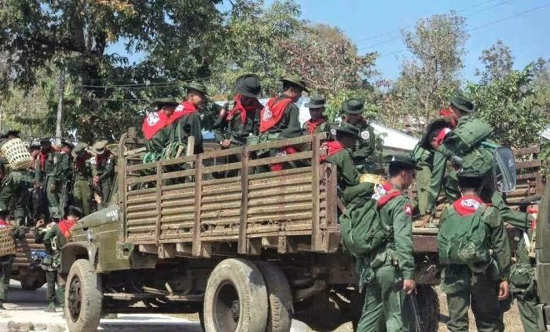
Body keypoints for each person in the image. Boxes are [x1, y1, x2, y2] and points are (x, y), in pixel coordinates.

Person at [438, 169, 511, 332]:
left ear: (459, 188)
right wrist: (504, 277)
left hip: (453, 274)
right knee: (488, 324)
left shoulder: (448, 212)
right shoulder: (489, 212)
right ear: (480, 188)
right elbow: (501, 247)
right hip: (482, 274)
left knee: (457, 325)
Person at [356, 155, 419, 332]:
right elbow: (403, 239)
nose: (412, 180)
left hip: (371, 265)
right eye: (413, 175)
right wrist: (408, 273)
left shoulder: (375, 195)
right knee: (397, 320)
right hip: (390, 267)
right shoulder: (400, 202)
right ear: (405, 173)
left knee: (369, 319)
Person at [35, 206, 81, 312]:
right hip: (75, 259)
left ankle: (52, 305)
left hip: (57, 257)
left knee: (52, 281)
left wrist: (49, 250)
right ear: (76, 217)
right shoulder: (79, 226)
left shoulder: (59, 226)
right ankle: (69, 305)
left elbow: (46, 238)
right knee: (70, 281)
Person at [258, 76, 307, 171]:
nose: (300, 96)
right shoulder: (291, 107)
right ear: (292, 90)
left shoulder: (270, 104)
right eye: (300, 92)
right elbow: (294, 132)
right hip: (280, 150)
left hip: (262, 150)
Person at [321, 124, 361, 203]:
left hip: (322, 188)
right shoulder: (342, 153)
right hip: (334, 192)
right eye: (353, 139)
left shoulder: (326, 147)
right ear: (346, 138)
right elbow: (352, 180)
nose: (354, 142)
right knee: (369, 186)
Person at [341, 99, 379, 173]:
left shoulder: (366, 129)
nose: (352, 117)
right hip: (342, 162)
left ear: (360, 114)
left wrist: (353, 155)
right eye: (350, 114)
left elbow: (368, 148)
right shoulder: (341, 126)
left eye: (355, 114)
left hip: (359, 165)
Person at [169, 82, 206, 157]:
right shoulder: (193, 114)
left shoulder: (177, 111)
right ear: (191, 96)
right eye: (201, 97)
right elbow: (197, 141)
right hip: (187, 156)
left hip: (173, 153)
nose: (203, 99)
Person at [0, 209, 25, 310]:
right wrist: (18, 226)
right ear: (6, 217)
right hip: (6, 257)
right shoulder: (10, 227)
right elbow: (21, 235)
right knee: (4, 278)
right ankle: (1, 300)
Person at [142, 98, 179, 162]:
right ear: (164, 108)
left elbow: (143, 131)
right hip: (160, 151)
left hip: (149, 150)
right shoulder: (166, 120)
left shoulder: (149, 117)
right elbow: (170, 140)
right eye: (172, 109)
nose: (173, 111)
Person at [34, 139, 57, 220]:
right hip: (44, 178)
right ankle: (48, 217)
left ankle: (56, 217)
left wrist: (53, 182)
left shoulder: (54, 154)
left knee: (51, 196)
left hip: (52, 177)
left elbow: (56, 168)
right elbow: (38, 170)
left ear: (49, 144)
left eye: (46, 144)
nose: (44, 146)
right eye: (43, 144)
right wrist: (37, 182)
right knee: (43, 197)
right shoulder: (40, 155)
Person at [91, 140, 115, 209]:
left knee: (106, 199)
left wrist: (99, 178)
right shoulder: (96, 157)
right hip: (99, 181)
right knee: (99, 199)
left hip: (107, 180)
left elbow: (109, 170)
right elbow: (94, 168)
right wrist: (95, 177)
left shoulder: (110, 156)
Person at [72, 143, 92, 216]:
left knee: (86, 203)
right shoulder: (75, 159)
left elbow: (92, 171)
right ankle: (79, 218)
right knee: (77, 200)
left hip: (85, 181)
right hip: (76, 181)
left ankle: (87, 219)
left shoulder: (89, 158)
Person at [56, 140, 74, 218]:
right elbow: (66, 169)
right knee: (63, 200)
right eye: (69, 148)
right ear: (66, 148)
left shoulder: (57, 155)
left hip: (59, 181)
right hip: (64, 181)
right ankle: (62, 217)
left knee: (61, 199)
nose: (70, 150)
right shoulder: (65, 156)